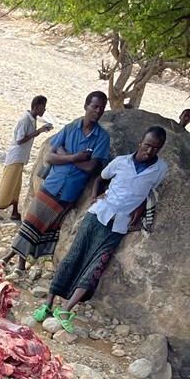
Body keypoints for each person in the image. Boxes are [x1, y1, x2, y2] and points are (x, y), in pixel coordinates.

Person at [32, 127, 169, 332]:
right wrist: (96, 195)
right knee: (73, 257)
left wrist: (139, 210)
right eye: (147, 145)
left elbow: (149, 191)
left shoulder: (160, 169)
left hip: (118, 225)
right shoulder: (121, 162)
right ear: (140, 142)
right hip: (98, 215)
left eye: (155, 148)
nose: (149, 151)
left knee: (96, 266)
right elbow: (100, 178)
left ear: (160, 149)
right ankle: (48, 304)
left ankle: (66, 309)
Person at [1, 91, 111, 274]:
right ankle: (17, 262)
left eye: (101, 108)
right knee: (31, 221)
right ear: (86, 106)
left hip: (70, 191)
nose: (98, 111)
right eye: (95, 106)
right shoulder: (70, 128)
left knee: (43, 226)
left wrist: (65, 155)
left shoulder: (102, 137)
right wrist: (75, 157)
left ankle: (15, 260)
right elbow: (50, 156)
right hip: (53, 183)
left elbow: (91, 167)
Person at [0, 96, 53, 220]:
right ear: (37, 106)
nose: (44, 110)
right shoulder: (25, 120)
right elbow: (20, 140)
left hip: (21, 158)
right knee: (8, 184)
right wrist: (39, 131)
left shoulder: (31, 119)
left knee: (16, 185)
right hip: (15, 156)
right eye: (43, 107)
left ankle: (14, 211)